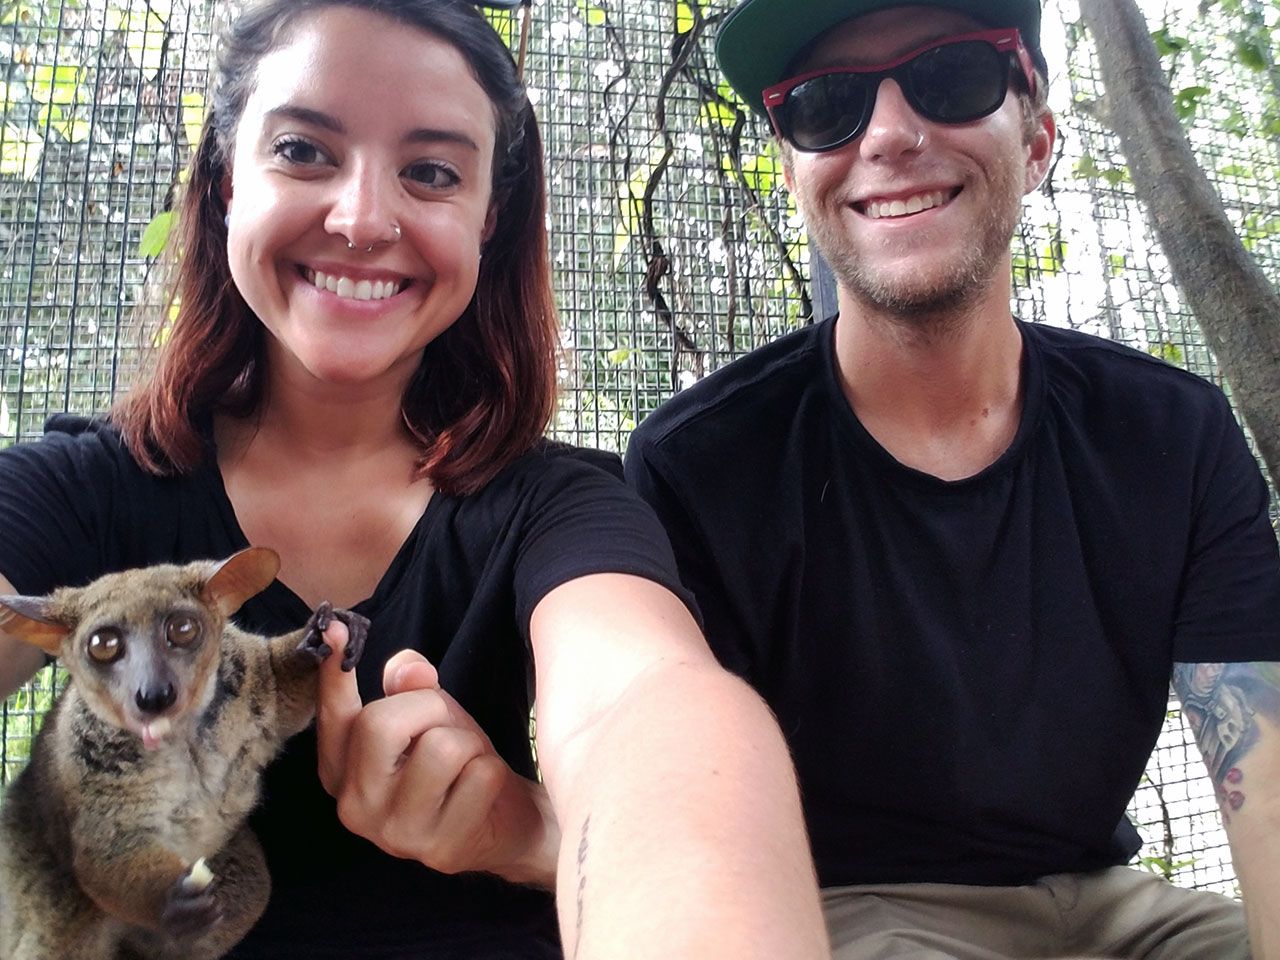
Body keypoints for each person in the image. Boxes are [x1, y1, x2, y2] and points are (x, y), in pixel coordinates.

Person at [0, 1, 832, 957]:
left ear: (490, 218)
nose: (361, 218)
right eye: (305, 151)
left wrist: (521, 832)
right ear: (229, 181)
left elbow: (647, 707)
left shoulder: (560, 509)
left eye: (431, 172)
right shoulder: (82, 488)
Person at [624, 1, 1280, 957]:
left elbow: (1263, 777)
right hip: (849, 909)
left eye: (954, 78)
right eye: (825, 104)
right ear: (797, 174)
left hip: (1114, 907)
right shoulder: (699, 465)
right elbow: (690, 825)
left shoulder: (1174, 434)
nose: (889, 135)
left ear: (1040, 140)